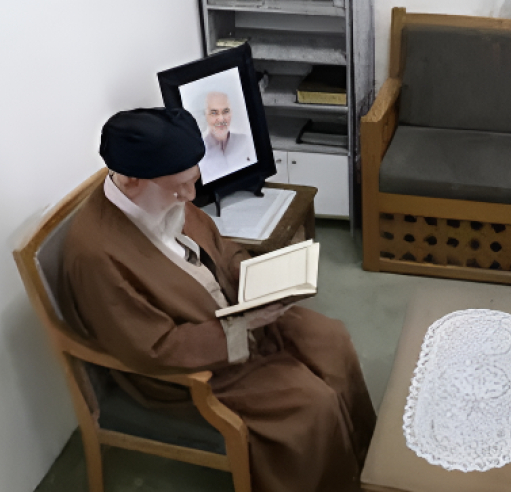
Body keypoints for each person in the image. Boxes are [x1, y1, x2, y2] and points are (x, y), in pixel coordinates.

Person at [58, 107, 375, 492]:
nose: (190, 196)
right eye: (179, 188)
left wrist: (256, 279)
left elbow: (221, 248)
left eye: (194, 181)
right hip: (188, 370)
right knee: (311, 405)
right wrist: (242, 325)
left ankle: (363, 461)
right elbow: (154, 348)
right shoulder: (95, 256)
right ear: (128, 180)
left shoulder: (161, 189)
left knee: (330, 340)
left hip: (230, 311)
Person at [198, 91, 256, 184]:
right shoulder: (198, 152)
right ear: (205, 116)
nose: (221, 119)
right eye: (214, 113)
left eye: (225, 112)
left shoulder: (246, 141)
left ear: (231, 113)